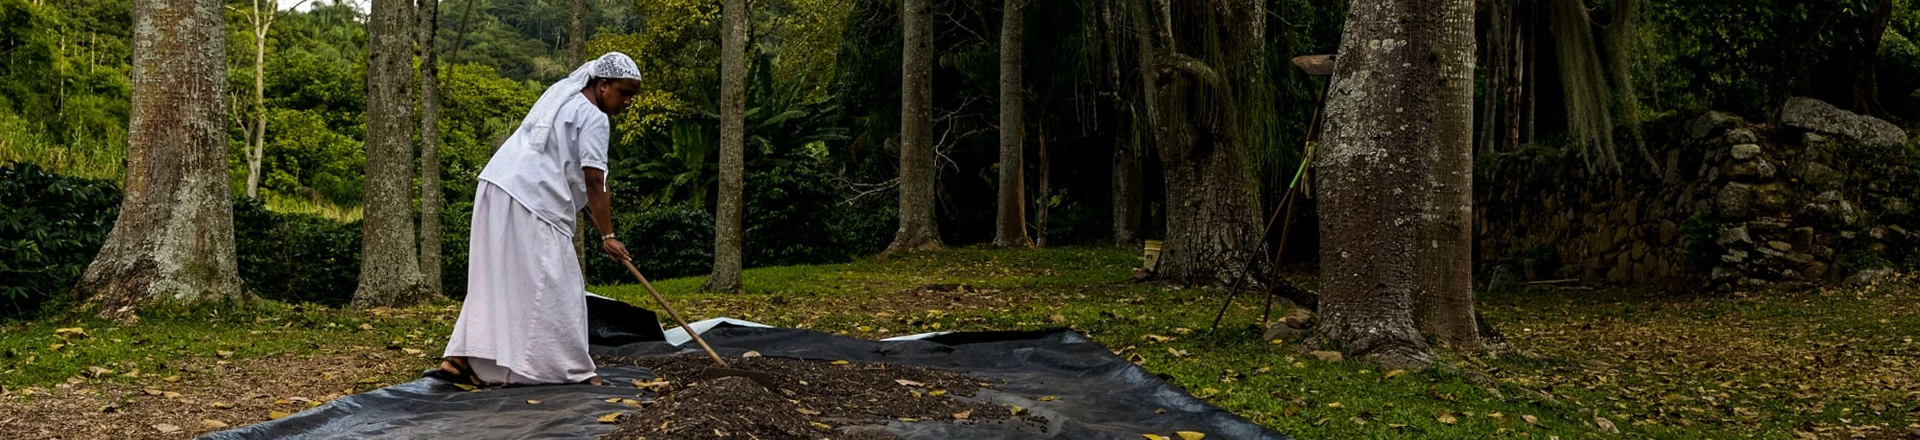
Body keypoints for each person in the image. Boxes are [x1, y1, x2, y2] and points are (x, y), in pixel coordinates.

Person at [429, 52, 642, 387]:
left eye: (633, 95)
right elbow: (595, 180)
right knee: (559, 284)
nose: (628, 101)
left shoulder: (565, 99)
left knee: (499, 278)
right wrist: (608, 235)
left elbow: (560, 160)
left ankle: (460, 359)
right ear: (602, 86)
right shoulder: (593, 116)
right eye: (624, 93)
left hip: (499, 186)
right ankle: (572, 371)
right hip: (529, 198)